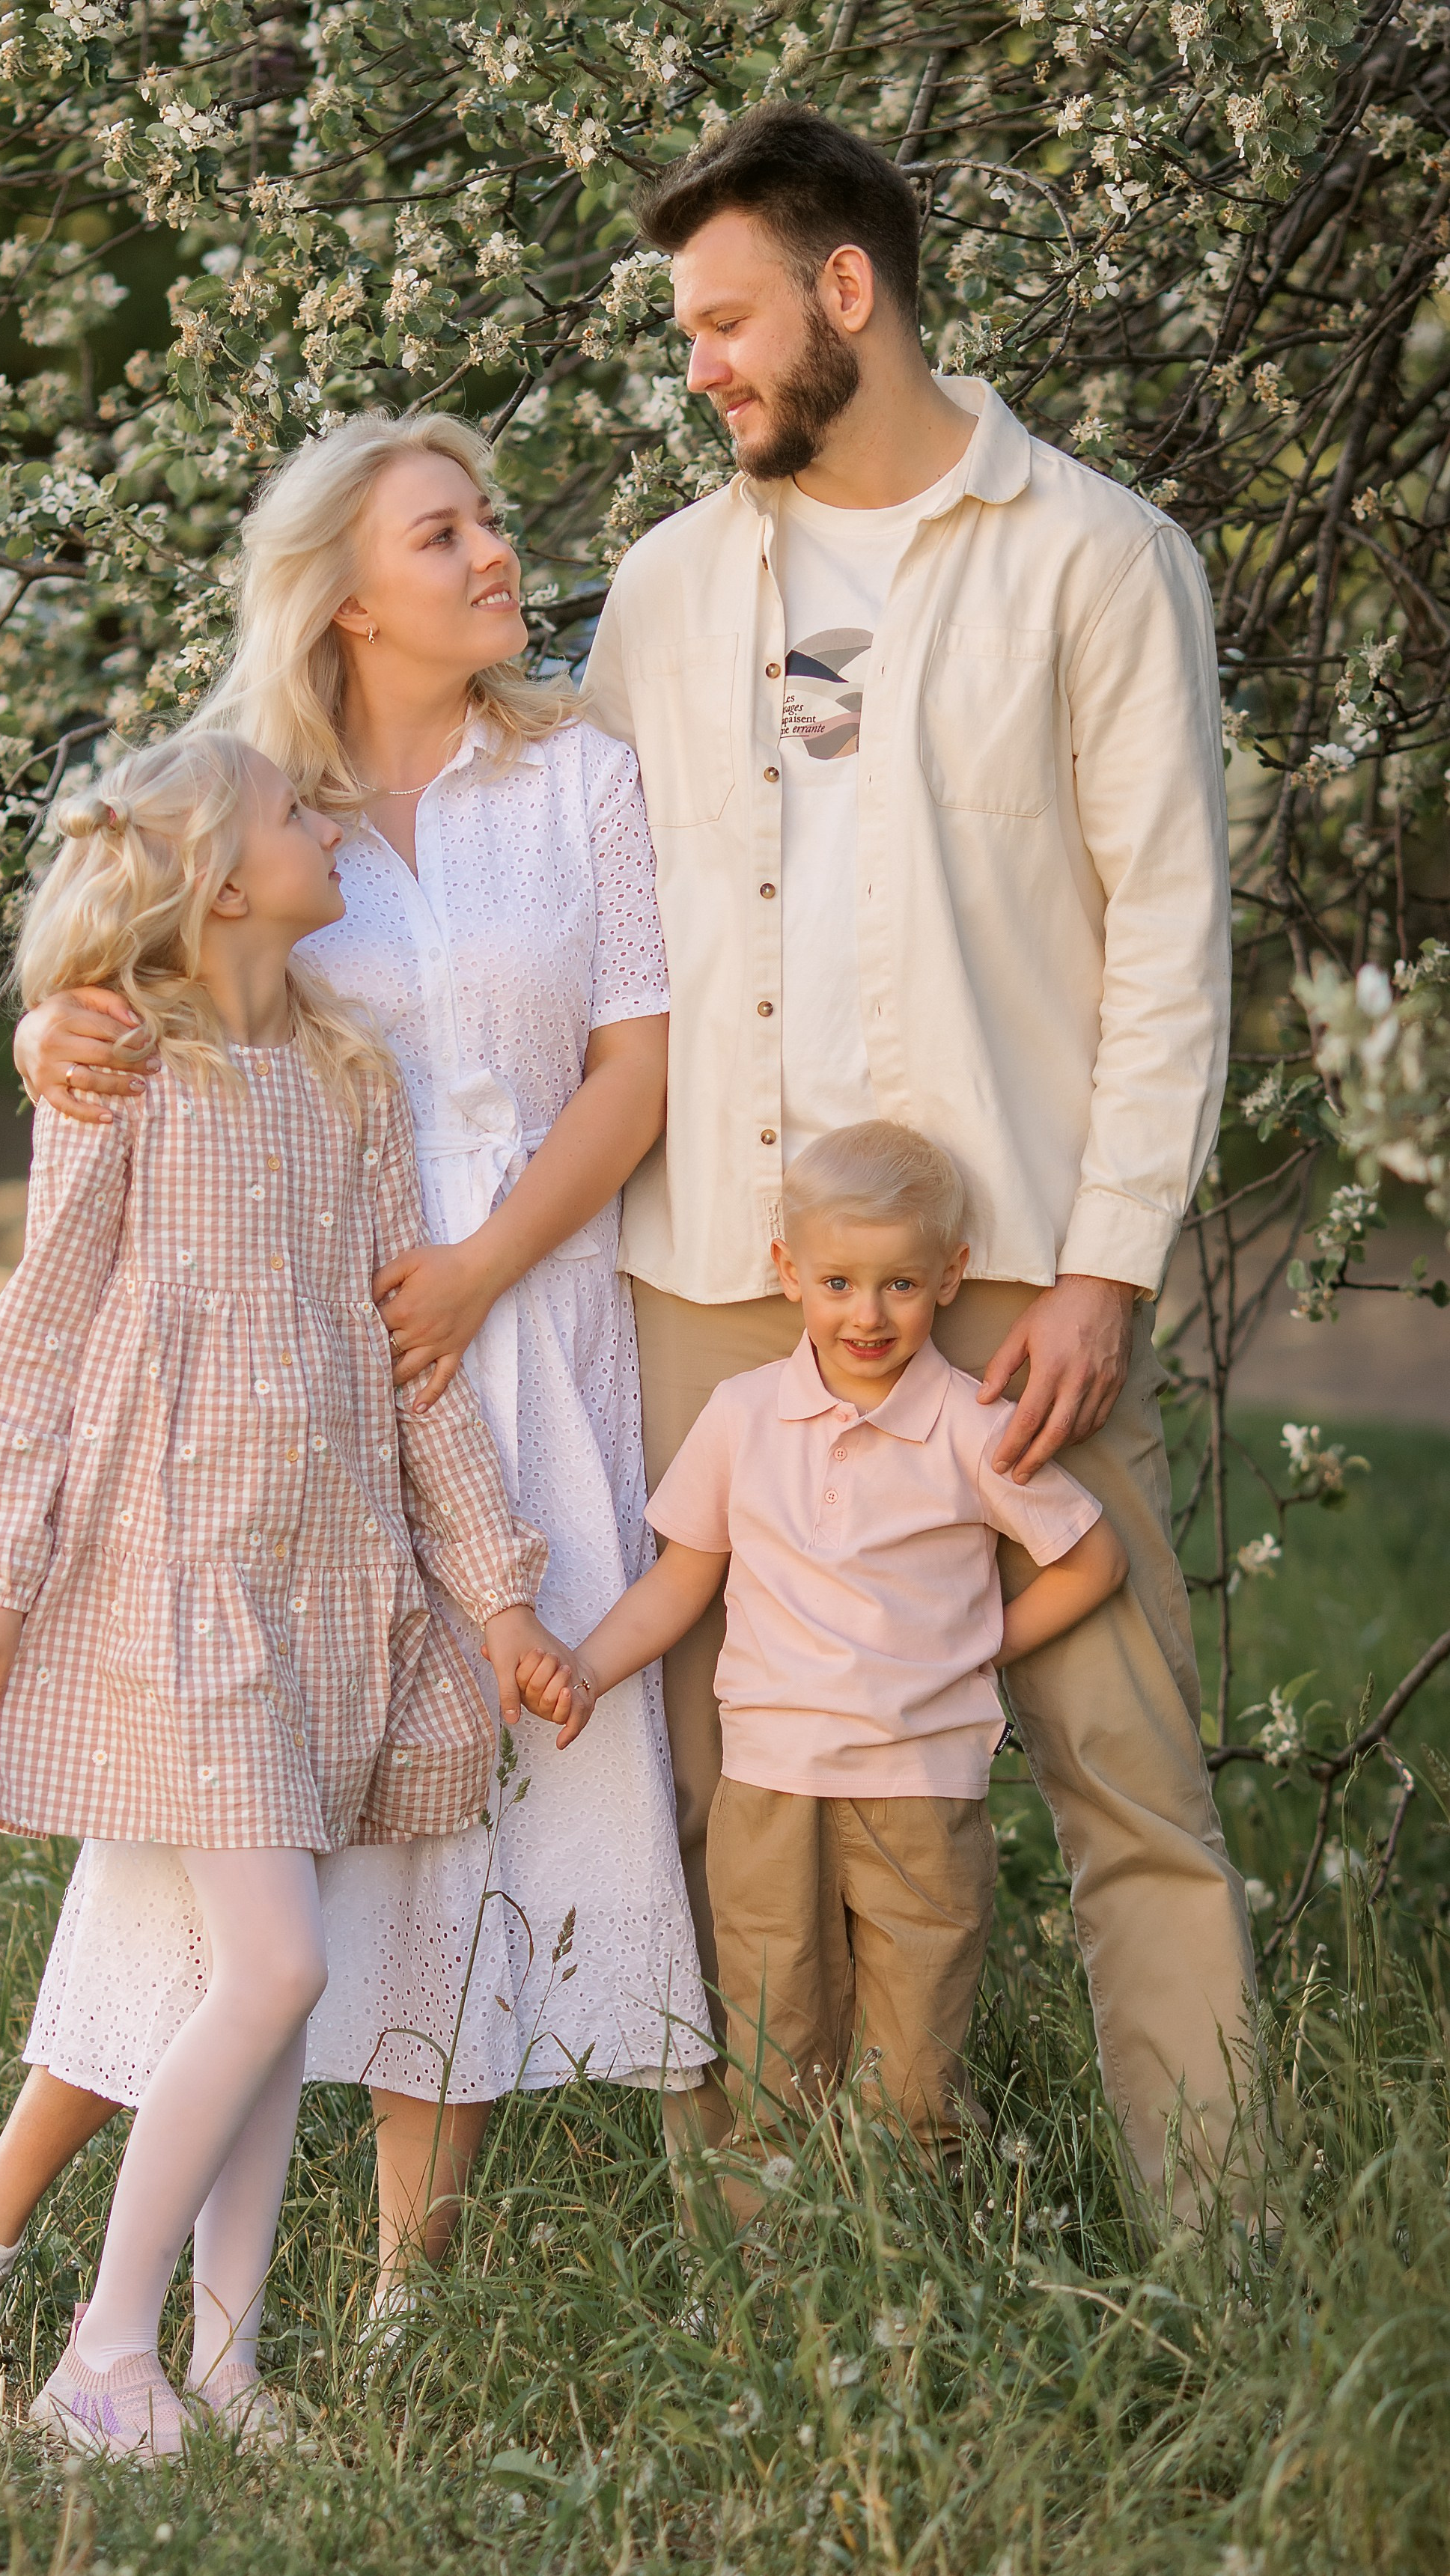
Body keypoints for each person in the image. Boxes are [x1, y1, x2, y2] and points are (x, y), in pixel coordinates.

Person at [0, 409, 713, 2408]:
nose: (499, 554)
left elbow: (633, 1071)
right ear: (338, 586)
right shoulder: (249, 803)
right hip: (246, 1448)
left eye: (493, 519)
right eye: (446, 529)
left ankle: (373, 2302)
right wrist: (57, 1021)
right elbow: (125, 1006)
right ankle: (2, 2259)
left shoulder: (574, 780)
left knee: (473, 1833)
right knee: (207, 1896)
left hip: (505, 1350)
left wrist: (477, 1282)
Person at [574, 103, 1259, 2222]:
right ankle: (771, 2232)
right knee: (724, 1781)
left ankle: (1222, 2241)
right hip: (718, 1274)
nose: (698, 366)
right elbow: (569, 910)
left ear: (843, 292)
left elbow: (1169, 933)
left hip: (1015, 1280)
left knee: (1121, 1768)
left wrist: (1109, 1263)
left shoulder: (1098, 558)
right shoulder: (675, 588)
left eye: (723, 320)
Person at [0, 725, 563, 2454]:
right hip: (176, 1594)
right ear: (229, 880)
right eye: (298, 814)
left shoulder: (349, 1075)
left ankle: (224, 2361)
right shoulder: (123, 1073)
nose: (327, 825)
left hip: (323, 1594)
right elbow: (45, 1320)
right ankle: (104, 2353)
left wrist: (495, 1586)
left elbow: (407, 1363)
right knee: (280, 1967)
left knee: (267, 1985)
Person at [520, 1123, 1127, 2209]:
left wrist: (976, 1647)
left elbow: (1089, 1559)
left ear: (949, 1276)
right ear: (788, 1271)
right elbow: (677, 1582)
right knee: (773, 2040)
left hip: (920, 1790)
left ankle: (915, 2268)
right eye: (839, 1281)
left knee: (915, 2058)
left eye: (900, 1283)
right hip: (772, 1786)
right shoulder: (743, 1417)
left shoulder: (968, 1424)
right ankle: (778, 2284)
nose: (868, 1314)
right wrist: (584, 1665)